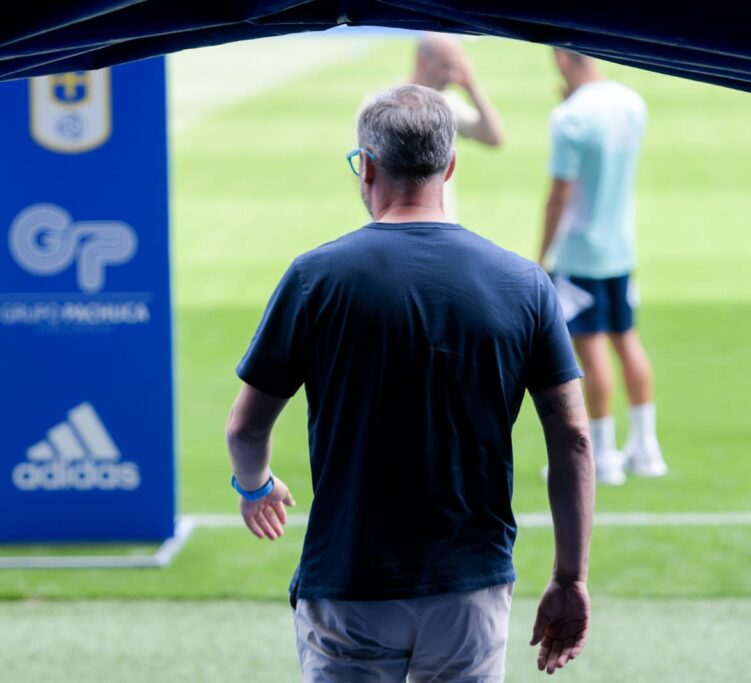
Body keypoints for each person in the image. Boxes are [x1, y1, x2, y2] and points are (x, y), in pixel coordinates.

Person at [226, 84, 593, 681]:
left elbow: (245, 429)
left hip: (349, 578)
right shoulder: (524, 283)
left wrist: (255, 487)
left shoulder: (314, 278)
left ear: (365, 166)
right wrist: (570, 578)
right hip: (470, 584)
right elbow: (573, 437)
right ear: (449, 166)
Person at [538, 48, 669, 486]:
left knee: (590, 349)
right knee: (627, 340)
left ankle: (604, 455)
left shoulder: (570, 117)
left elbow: (560, 195)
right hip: (621, 248)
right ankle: (647, 447)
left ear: (561, 56)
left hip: (579, 253)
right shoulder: (632, 103)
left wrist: (541, 255)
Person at [409, 32, 504, 221]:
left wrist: (472, 88)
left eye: (455, 67)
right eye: (445, 66)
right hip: (398, 229)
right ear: (422, 61)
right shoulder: (384, 106)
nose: (451, 76)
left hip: (442, 226)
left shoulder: (448, 104)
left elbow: (494, 138)